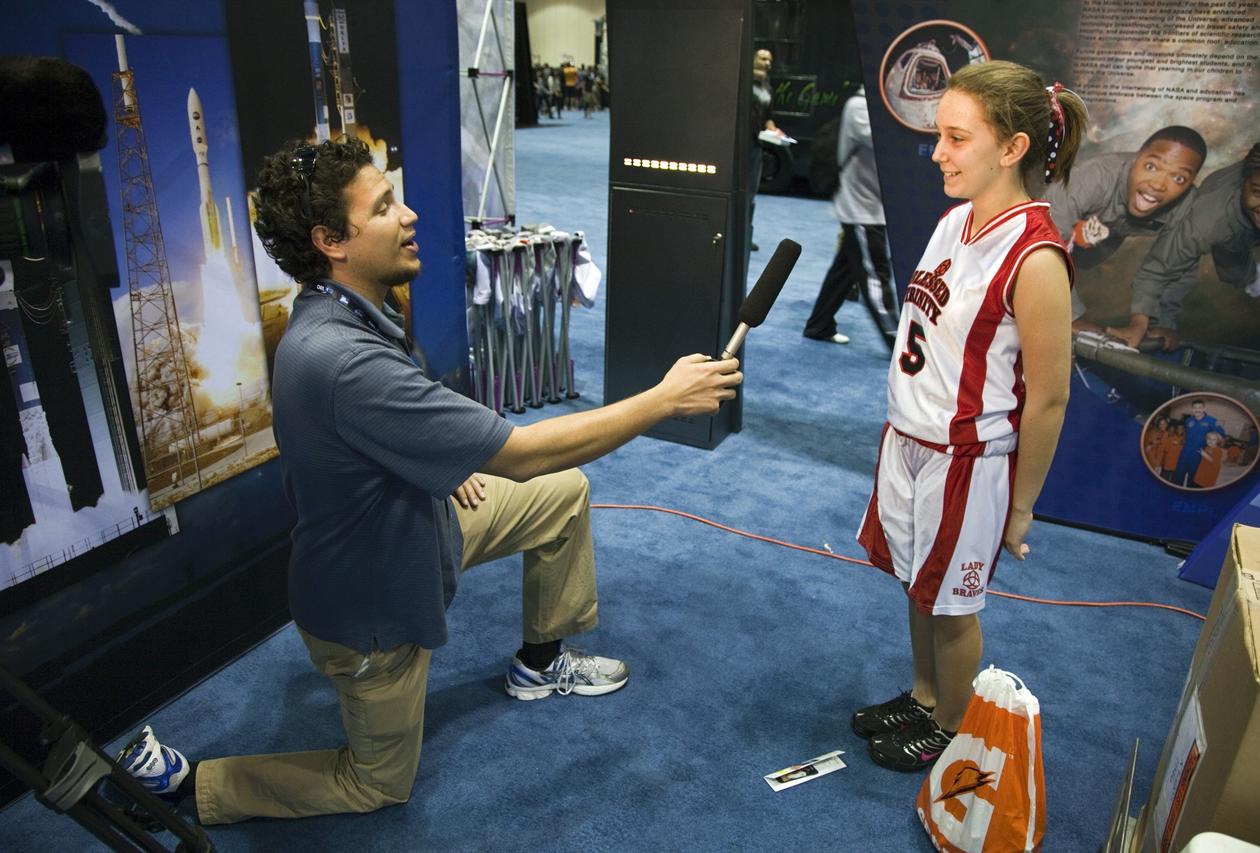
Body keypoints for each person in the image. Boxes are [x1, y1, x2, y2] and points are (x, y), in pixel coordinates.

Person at [114, 137, 742, 824]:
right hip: (371, 607)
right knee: (375, 784)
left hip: (422, 522)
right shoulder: (341, 357)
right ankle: (185, 786)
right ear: (332, 241)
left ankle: (539, 662)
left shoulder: (348, 306)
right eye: (384, 206)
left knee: (561, 496)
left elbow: (394, 431)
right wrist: (660, 400)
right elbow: (524, 450)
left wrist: (443, 468)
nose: (410, 214)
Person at [852, 61, 1083, 772]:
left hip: (965, 459)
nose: (939, 152)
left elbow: (1049, 396)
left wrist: (1020, 508)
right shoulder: (955, 219)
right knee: (915, 580)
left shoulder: (1036, 255)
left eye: (957, 138)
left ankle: (952, 725)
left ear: (1012, 148)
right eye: (939, 136)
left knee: (952, 603)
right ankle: (926, 696)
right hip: (908, 439)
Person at [1115, 138, 1260, 349]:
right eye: (1259, 192)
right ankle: (1250, 275)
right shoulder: (1207, 221)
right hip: (1228, 232)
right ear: (1243, 183)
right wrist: (1144, 323)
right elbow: (1158, 270)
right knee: (1233, 270)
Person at [1042, 126, 1206, 339]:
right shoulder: (1092, 176)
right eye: (1151, 166)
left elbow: (1176, 265)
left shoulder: (1187, 205)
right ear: (1135, 160)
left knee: (1085, 263)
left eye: (1179, 179)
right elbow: (1043, 244)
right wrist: (1072, 316)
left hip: (1109, 234)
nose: (1158, 185)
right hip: (1050, 219)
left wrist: (1157, 322)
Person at [803, 85, 898, 349]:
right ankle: (898, 342)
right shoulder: (860, 106)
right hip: (863, 210)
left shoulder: (880, 105)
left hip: (869, 207)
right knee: (876, 276)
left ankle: (818, 325)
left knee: (844, 270)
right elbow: (887, 142)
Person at [748, 48, 785, 252]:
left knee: (751, 194)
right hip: (740, 149)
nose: (767, 63)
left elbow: (768, 117)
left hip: (756, 147)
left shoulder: (767, 87)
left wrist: (773, 129)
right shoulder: (743, 84)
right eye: (763, 59)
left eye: (770, 60)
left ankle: (746, 235)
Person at [1171, 399, 1220, 487]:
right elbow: (1186, 435)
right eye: (1195, 407)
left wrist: (1212, 449)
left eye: (1200, 407)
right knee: (1178, 477)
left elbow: (1220, 436)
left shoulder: (1212, 421)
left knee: (1193, 480)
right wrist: (1180, 442)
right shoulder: (1188, 420)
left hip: (1199, 455)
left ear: (1204, 408)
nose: (1197, 410)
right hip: (1185, 453)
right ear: (1192, 409)